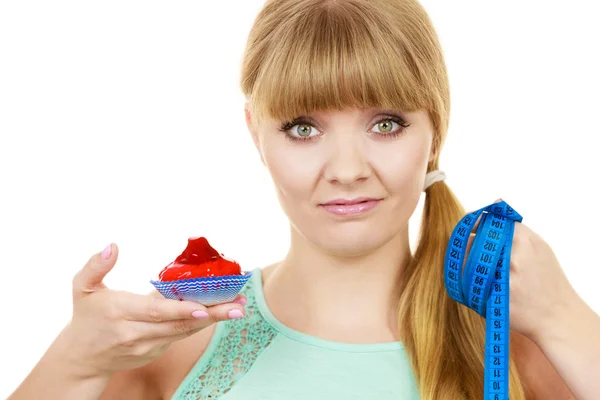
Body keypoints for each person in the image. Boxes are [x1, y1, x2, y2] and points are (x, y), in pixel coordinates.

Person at [9, 0, 600, 399]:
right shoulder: (174, 350)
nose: (346, 170)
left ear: (435, 132)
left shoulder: (508, 349)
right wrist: (75, 362)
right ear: (254, 135)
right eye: (302, 128)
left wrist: (566, 321)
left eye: (387, 123)